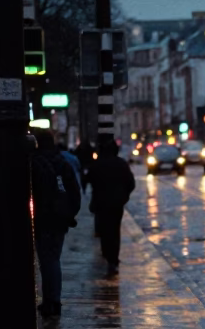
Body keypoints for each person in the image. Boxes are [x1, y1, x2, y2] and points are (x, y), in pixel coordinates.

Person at [31, 130, 82, 317]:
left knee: (47, 260)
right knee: (54, 258)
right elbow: (75, 192)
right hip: (60, 219)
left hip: (43, 219)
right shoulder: (63, 162)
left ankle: (50, 301)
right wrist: (69, 214)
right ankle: (54, 300)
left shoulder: (34, 163)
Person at [86, 137, 135, 276]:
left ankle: (109, 256)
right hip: (116, 204)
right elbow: (131, 183)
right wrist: (124, 197)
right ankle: (113, 259)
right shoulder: (121, 164)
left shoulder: (97, 165)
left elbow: (88, 179)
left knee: (105, 232)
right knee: (115, 231)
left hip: (101, 203)